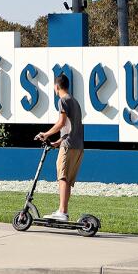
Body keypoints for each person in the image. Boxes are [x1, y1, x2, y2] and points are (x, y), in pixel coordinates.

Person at [34, 73, 83, 222]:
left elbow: (61, 123)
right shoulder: (75, 102)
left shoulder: (63, 101)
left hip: (68, 146)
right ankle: (64, 211)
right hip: (78, 146)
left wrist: (46, 134)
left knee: (62, 177)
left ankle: (62, 212)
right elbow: (71, 128)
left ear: (57, 87)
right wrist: (57, 142)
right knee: (67, 179)